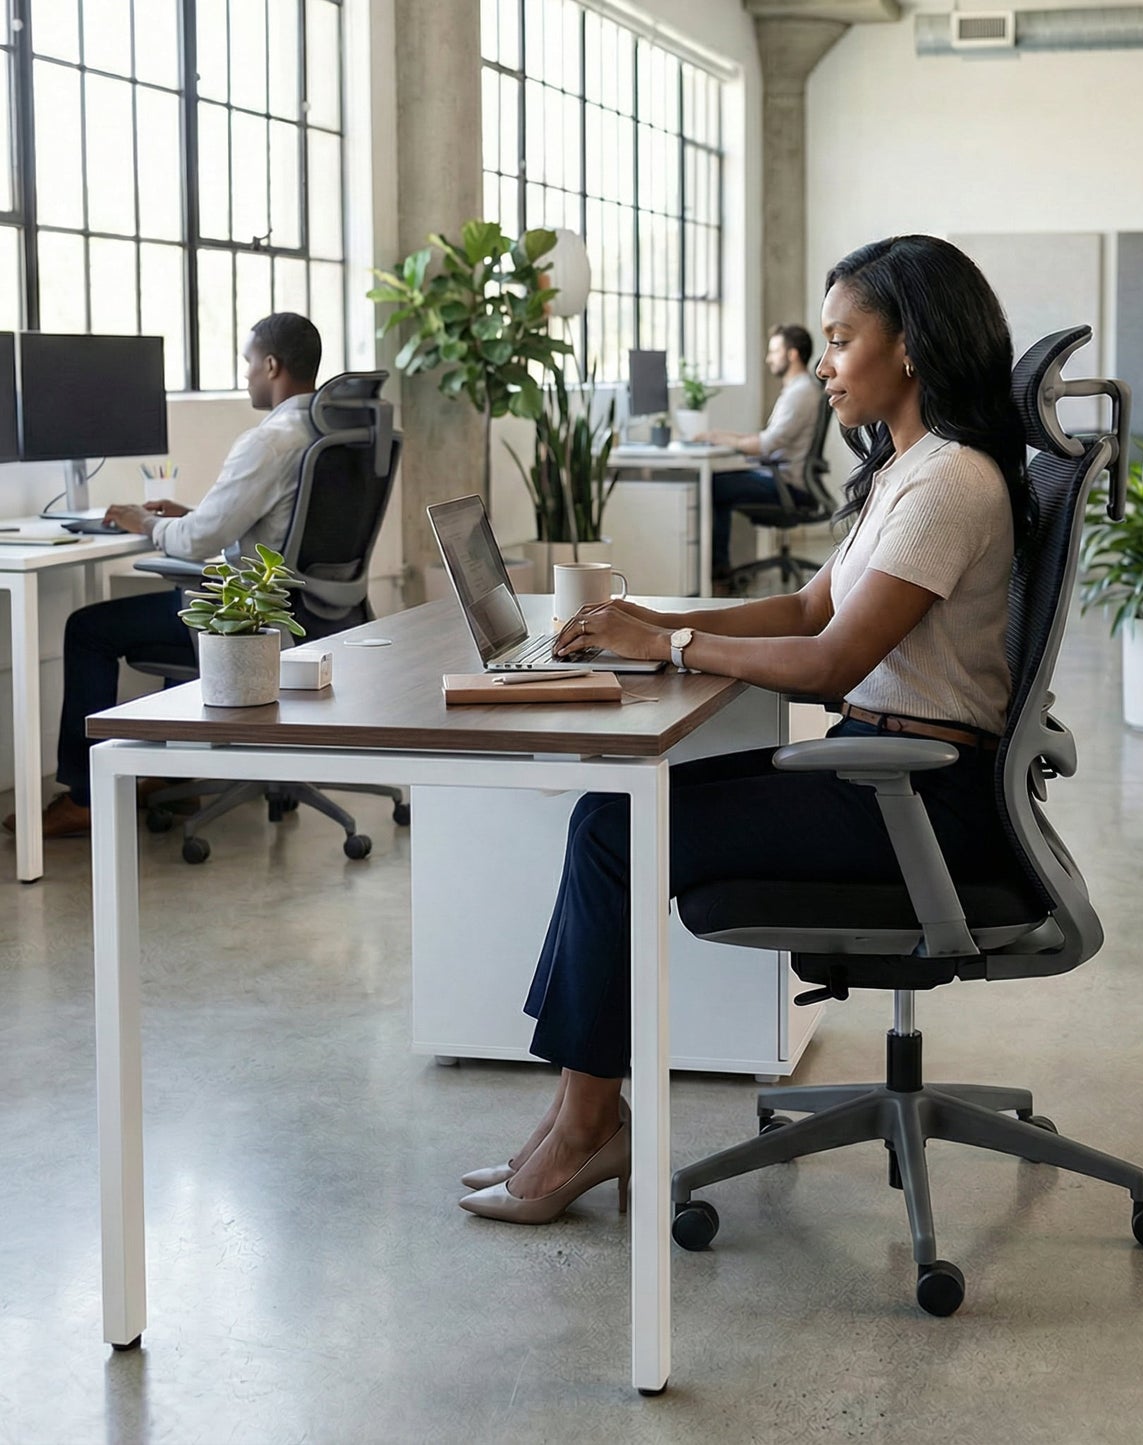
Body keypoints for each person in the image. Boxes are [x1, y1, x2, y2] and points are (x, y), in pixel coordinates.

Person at [456, 235, 1032, 1224]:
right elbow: (809, 610)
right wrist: (651, 630)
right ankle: (573, 1118)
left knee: (610, 828)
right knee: (614, 810)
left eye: (842, 340)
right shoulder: (906, 468)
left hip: (919, 804)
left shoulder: (950, 482)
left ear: (912, 347)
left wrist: (673, 644)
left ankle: (584, 1126)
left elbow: (828, 663)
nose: (821, 365)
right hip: (888, 775)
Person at [3, 313, 323, 841]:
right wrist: (189, 513)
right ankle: (177, 776)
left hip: (245, 623)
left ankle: (85, 798)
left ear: (271, 365)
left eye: (248, 363)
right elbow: (272, 522)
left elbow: (198, 542)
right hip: (299, 608)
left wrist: (145, 521)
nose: (245, 375)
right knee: (173, 592)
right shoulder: (321, 428)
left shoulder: (268, 441)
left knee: (88, 628)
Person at [694, 323, 822, 584]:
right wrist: (726, 436)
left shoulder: (800, 393)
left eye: (774, 351)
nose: (768, 358)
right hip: (782, 477)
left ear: (792, 354)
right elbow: (768, 438)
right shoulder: (799, 390)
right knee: (723, 484)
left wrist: (723, 439)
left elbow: (766, 445)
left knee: (714, 486)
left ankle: (719, 572)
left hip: (787, 484)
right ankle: (722, 568)